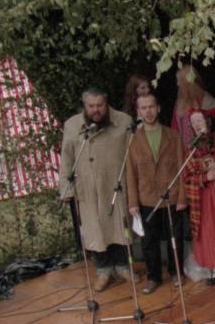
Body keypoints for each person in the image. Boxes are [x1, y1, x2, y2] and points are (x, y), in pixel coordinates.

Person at [59, 88, 132, 292]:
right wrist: (65, 189)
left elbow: (133, 154)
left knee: (119, 226)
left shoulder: (124, 122)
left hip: (115, 185)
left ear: (106, 103)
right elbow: (66, 159)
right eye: (91, 106)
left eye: (99, 105)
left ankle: (123, 266)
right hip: (88, 188)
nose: (96, 110)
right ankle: (103, 271)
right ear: (84, 106)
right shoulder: (72, 126)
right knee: (95, 230)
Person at [125, 92, 187, 294]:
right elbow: (130, 173)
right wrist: (133, 202)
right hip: (146, 197)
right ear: (138, 112)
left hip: (171, 196)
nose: (148, 111)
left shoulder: (173, 136)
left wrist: (182, 196)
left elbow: (182, 168)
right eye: (143, 108)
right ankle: (153, 277)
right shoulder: (133, 139)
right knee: (148, 241)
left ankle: (176, 271)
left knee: (174, 237)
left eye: (151, 107)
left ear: (158, 108)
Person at [183, 110, 215, 285]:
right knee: (210, 230)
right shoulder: (191, 149)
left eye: (199, 120)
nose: (197, 124)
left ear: (207, 121)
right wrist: (205, 177)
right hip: (204, 198)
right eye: (193, 122)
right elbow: (187, 178)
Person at [171, 64, 215, 150]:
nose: (178, 84)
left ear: (189, 83)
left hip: (205, 151)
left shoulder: (208, 102)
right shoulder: (179, 103)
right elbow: (174, 130)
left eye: (180, 81)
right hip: (185, 153)